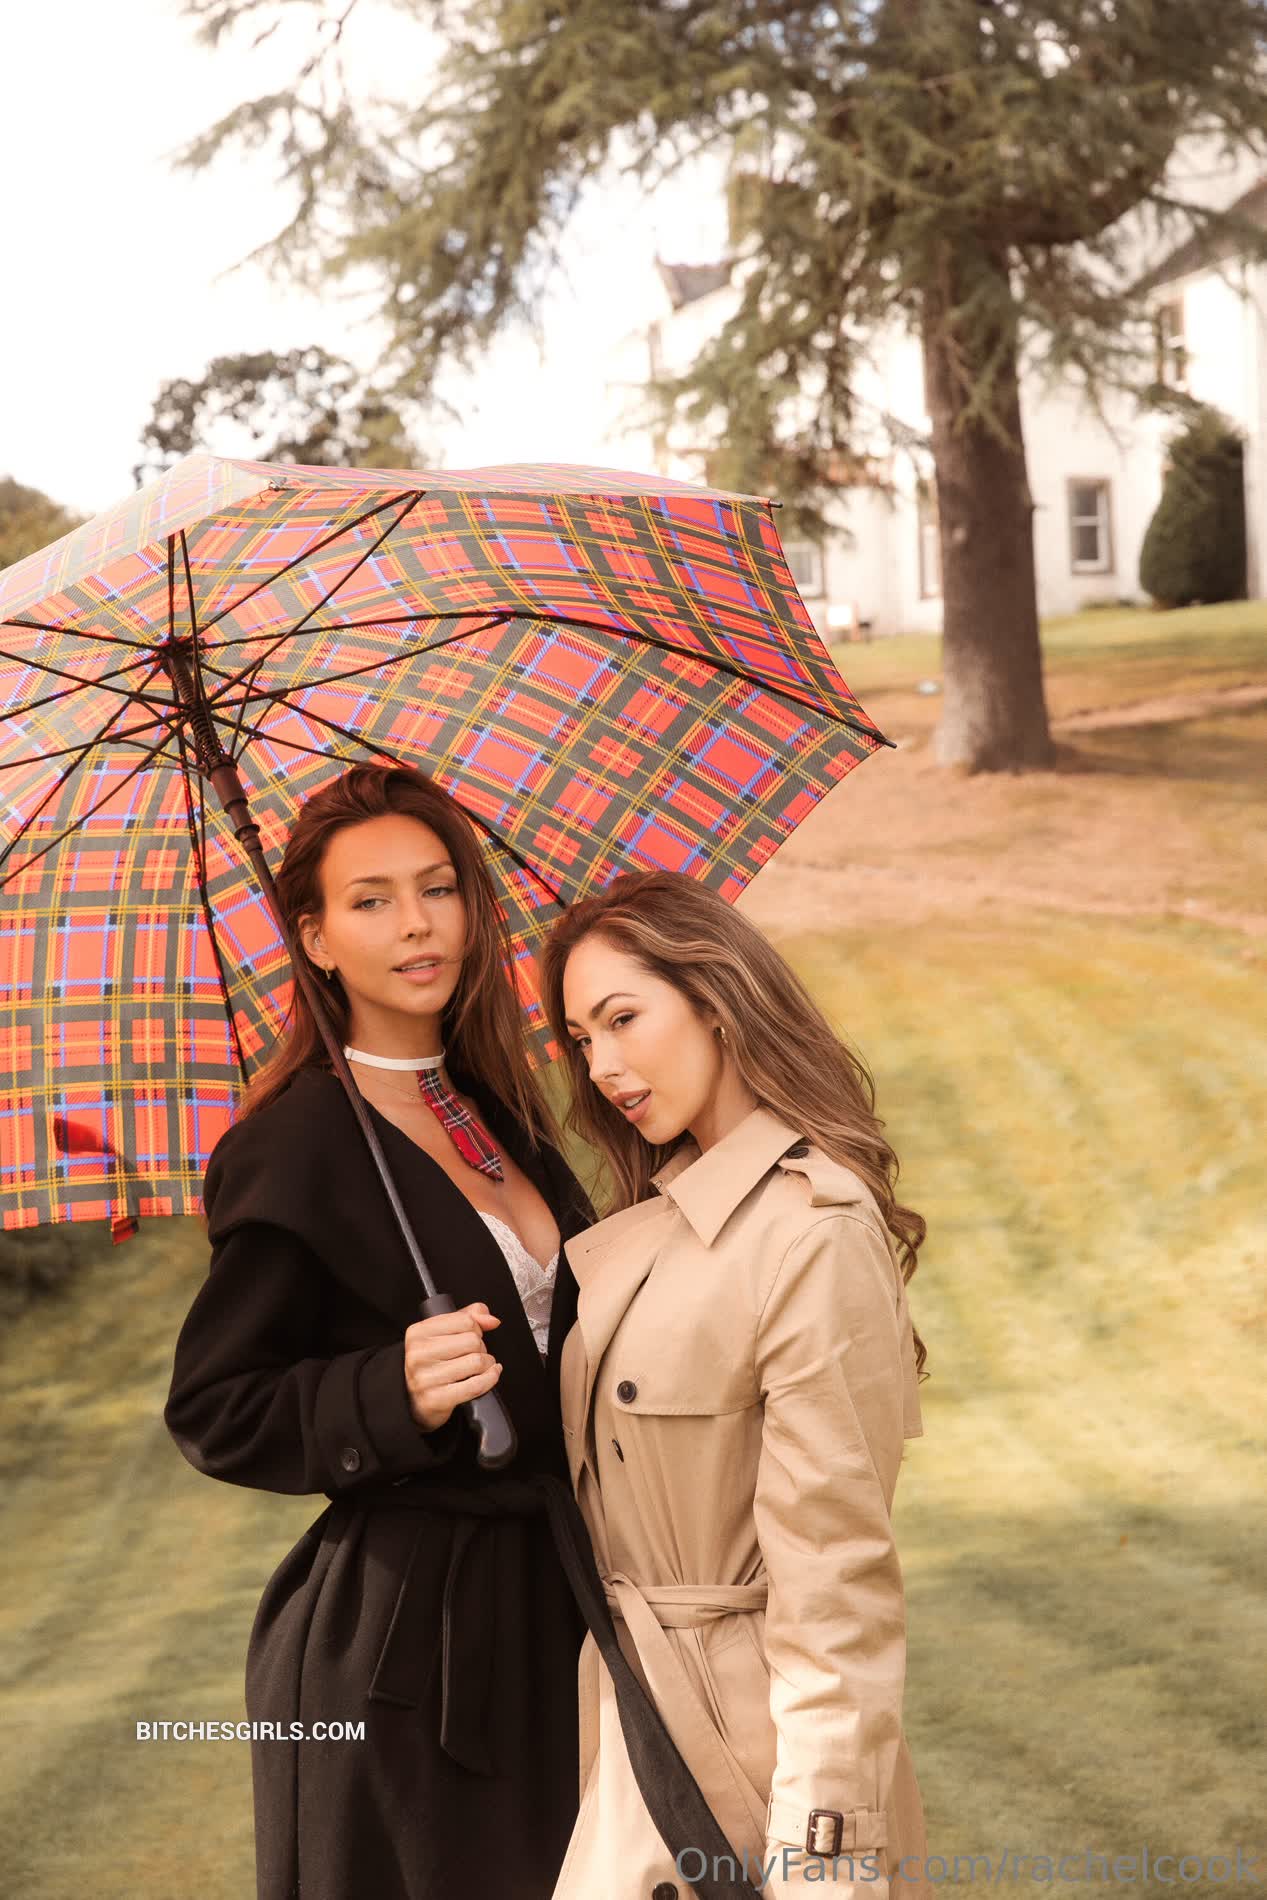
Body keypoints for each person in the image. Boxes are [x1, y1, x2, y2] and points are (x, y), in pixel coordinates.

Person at [164, 762, 594, 1900]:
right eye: (371, 899)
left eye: (437, 887)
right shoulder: (293, 1146)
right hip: (406, 1652)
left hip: (560, 1606)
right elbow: (215, 1406)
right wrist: (385, 1391)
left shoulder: (502, 1113)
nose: (416, 923)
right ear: (313, 938)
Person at [539, 869, 932, 1900]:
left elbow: (834, 1577)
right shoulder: (659, 1227)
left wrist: (824, 1856)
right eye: (580, 1038)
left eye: (623, 1018)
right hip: (637, 1717)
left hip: (753, 1756)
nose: (602, 1066)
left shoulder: (810, 1233)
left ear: (714, 998)